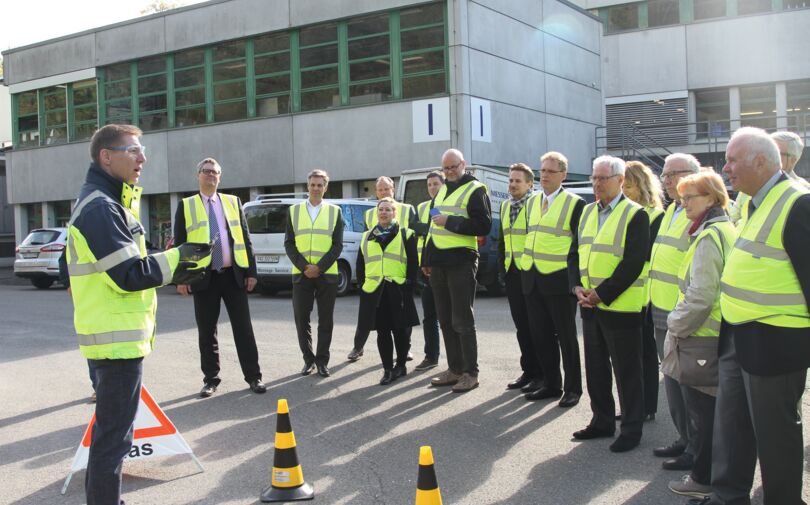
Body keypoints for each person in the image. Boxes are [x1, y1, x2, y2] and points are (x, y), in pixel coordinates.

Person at [65, 124, 208, 505]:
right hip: (115, 346)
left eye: (143, 150)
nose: (142, 158)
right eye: (133, 150)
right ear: (106, 156)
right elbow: (128, 274)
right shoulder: (100, 207)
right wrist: (180, 258)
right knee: (114, 440)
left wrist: (176, 263)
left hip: (114, 341)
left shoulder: (106, 202)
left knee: (111, 437)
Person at [691, 127, 810, 505]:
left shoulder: (797, 202)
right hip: (738, 336)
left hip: (776, 344)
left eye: (731, 160)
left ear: (761, 161)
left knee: (776, 436)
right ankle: (727, 496)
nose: (724, 168)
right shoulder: (751, 202)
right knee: (732, 425)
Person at [660, 171, 734, 500]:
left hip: (702, 336)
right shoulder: (719, 229)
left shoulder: (708, 236)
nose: (683, 203)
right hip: (714, 334)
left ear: (712, 198)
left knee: (703, 414)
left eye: (690, 197)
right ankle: (711, 477)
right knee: (711, 413)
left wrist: (675, 324)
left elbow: (702, 296)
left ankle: (702, 480)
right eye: (681, 198)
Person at [570, 155, 649, 453]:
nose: (596, 184)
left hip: (620, 307)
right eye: (594, 178)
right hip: (589, 305)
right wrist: (576, 286)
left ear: (620, 180)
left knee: (627, 372)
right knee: (596, 369)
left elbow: (633, 263)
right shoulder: (587, 212)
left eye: (603, 178)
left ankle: (631, 429)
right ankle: (601, 421)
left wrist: (601, 294)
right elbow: (574, 254)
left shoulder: (635, 214)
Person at [173, 157, 266, 398]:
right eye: (206, 171)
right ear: (198, 176)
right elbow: (180, 246)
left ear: (220, 176)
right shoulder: (187, 205)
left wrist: (251, 272)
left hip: (232, 275)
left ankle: (254, 377)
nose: (210, 175)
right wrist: (181, 278)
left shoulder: (233, 202)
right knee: (207, 331)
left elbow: (245, 238)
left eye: (214, 172)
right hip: (204, 278)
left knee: (243, 329)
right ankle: (211, 379)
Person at [422, 148, 492, 392]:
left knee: (462, 320)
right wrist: (426, 258)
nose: (450, 171)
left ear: (463, 164)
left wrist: (450, 222)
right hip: (439, 262)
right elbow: (433, 225)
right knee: (445, 319)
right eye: (446, 168)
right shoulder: (441, 189)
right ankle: (455, 369)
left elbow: (483, 225)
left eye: (454, 166)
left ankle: (470, 373)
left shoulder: (476, 190)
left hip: (461, 261)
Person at [648, 153, 701, 471]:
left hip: (683, 314)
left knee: (689, 384)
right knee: (671, 379)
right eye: (664, 175)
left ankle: (697, 447)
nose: (665, 180)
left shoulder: (700, 212)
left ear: (693, 175)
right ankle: (685, 438)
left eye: (673, 174)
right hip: (661, 308)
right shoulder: (671, 209)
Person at [520, 152, 585, 407]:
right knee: (541, 335)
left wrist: (574, 280)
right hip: (533, 277)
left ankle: (573, 389)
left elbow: (578, 246)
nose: (544, 175)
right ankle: (551, 383)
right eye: (542, 171)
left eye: (550, 171)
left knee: (567, 338)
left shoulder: (575, 203)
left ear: (563, 175)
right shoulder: (531, 201)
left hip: (559, 281)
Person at [347, 176, 417, 362]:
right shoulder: (370, 213)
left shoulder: (407, 210)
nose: (384, 192)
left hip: (397, 273)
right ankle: (358, 346)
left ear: (393, 189)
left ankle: (406, 350)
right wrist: (362, 281)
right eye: (380, 190)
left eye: (387, 189)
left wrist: (411, 279)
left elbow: (413, 240)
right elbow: (365, 247)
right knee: (369, 316)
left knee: (401, 321)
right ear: (376, 192)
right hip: (374, 276)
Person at [284, 169, 344, 378]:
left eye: (320, 185)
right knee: (302, 318)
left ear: (325, 187)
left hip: (327, 274)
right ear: (307, 186)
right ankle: (308, 359)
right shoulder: (294, 211)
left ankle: (322, 361)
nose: (316, 188)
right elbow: (289, 244)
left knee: (325, 320)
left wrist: (319, 267)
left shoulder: (335, 211)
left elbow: (337, 246)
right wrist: (304, 267)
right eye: (313, 184)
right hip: (301, 275)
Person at [355, 197, 420, 384]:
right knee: (382, 332)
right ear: (377, 213)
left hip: (398, 288)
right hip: (375, 290)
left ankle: (401, 366)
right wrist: (362, 285)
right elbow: (361, 263)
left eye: (388, 210)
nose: (384, 213)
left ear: (394, 213)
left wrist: (409, 285)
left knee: (400, 331)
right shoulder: (367, 235)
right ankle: (387, 370)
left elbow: (413, 263)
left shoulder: (406, 234)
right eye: (381, 209)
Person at [622, 160, 664, 420]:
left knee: (645, 353)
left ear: (642, 185)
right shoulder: (623, 212)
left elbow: (644, 255)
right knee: (631, 355)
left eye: (629, 186)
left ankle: (647, 406)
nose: (625, 192)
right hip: (626, 293)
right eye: (622, 186)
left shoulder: (655, 216)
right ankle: (633, 406)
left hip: (644, 294)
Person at [497, 163, 544, 395]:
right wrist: (502, 270)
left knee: (537, 327)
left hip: (532, 272)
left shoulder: (536, 204)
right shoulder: (506, 206)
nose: (513, 185)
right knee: (521, 327)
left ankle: (542, 374)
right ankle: (529, 371)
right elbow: (503, 241)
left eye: (518, 181)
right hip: (513, 272)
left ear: (529, 184)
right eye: (511, 181)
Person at [729, 130, 808, 224]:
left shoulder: (803, 193)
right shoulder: (749, 185)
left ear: (792, 160)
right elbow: (732, 220)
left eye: (776, 152)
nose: (766, 156)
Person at [412, 171, 445, 371]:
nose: (432, 187)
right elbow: (417, 230)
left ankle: (458, 364)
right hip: (425, 269)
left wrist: (427, 226)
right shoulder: (422, 207)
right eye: (430, 185)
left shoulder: (446, 205)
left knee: (449, 318)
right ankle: (431, 356)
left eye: (436, 184)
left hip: (443, 267)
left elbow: (437, 229)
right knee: (429, 316)